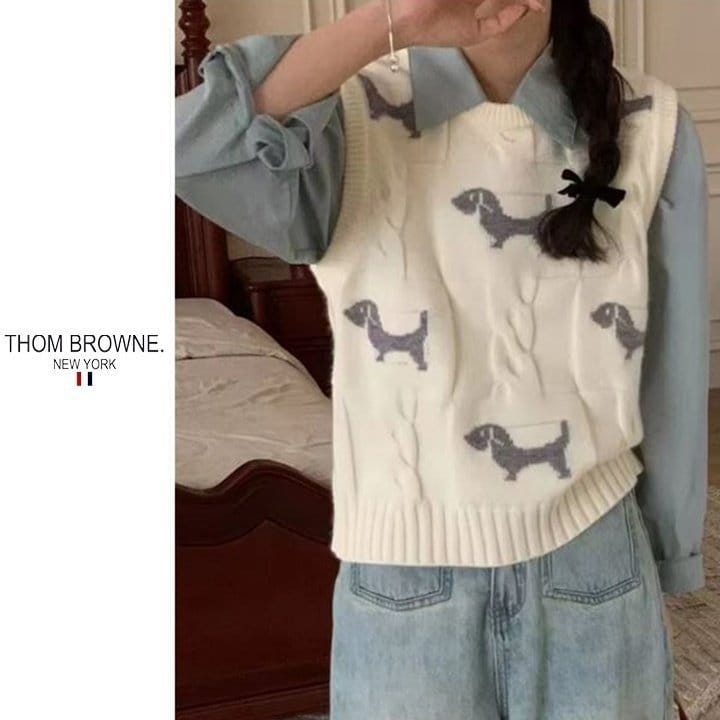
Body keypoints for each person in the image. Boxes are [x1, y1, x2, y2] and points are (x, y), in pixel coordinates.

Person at [175, 1, 710, 717]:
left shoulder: (652, 121)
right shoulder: (347, 112)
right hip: (404, 575)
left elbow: (672, 373)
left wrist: (670, 555)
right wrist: (395, 23)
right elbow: (192, 143)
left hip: (595, 558)